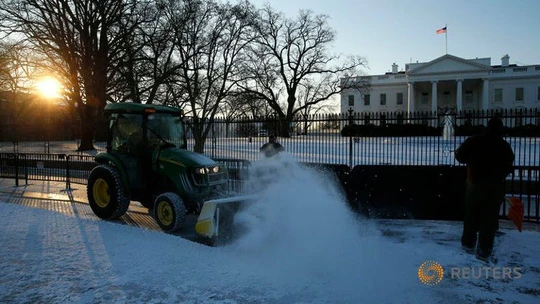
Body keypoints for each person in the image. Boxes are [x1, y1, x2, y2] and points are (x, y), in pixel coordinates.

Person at [455, 117, 514, 261]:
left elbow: (460, 156)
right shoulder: (503, 146)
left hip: (475, 184)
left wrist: (472, 161)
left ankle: (468, 243)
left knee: (471, 215)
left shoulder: (474, 141)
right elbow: (508, 166)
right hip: (494, 186)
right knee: (489, 219)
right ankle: (484, 249)